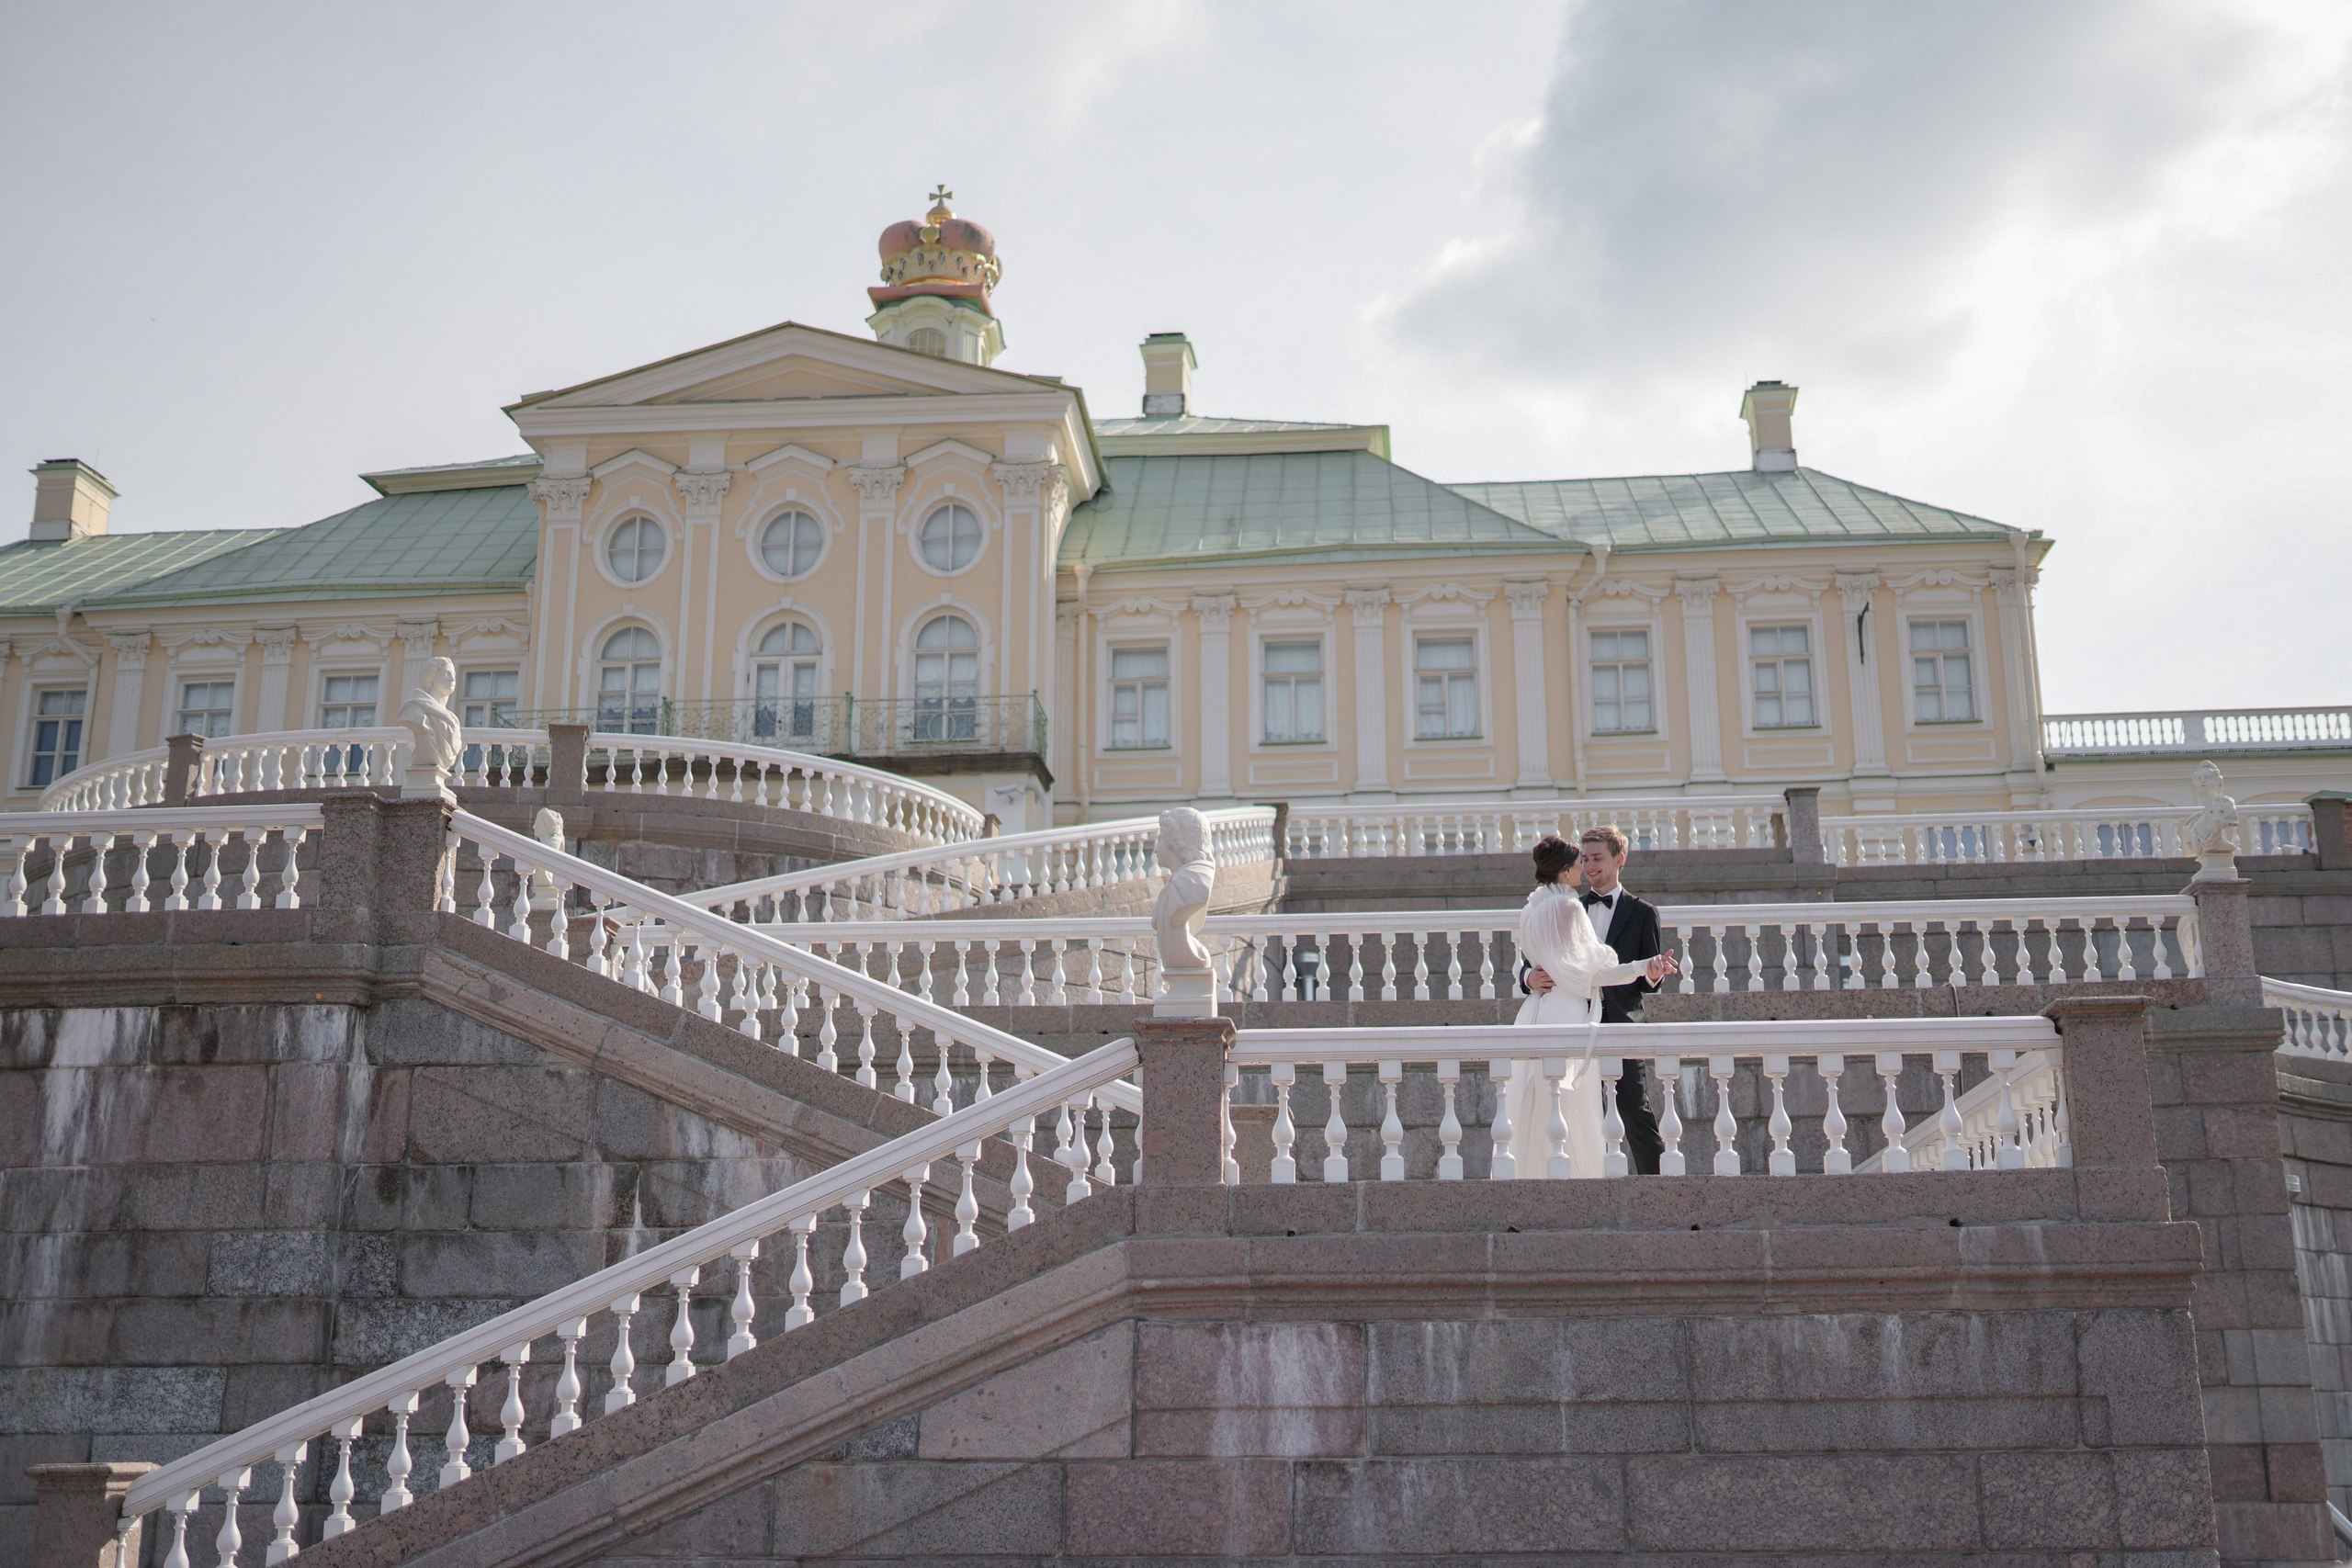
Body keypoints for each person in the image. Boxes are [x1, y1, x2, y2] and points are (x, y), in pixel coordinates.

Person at [1503, 833, 1677, 1178]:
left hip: (1618, 1024)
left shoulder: (1643, 913)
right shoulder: (1569, 905)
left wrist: (1652, 972)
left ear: (1619, 860)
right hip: (1573, 1017)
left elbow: (1648, 984)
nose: (1589, 866)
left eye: (1597, 858)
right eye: (1585, 859)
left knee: (1634, 1111)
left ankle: (1659, 1188)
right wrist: (1527, 978)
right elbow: (1528, 959)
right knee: (1568, 1112)